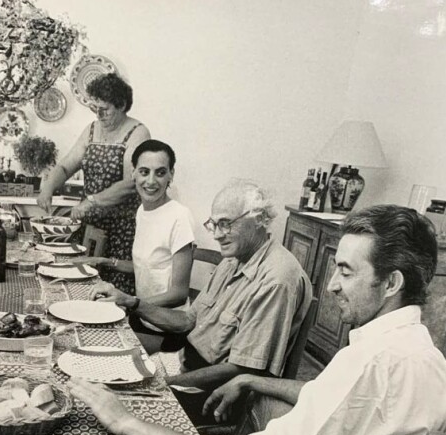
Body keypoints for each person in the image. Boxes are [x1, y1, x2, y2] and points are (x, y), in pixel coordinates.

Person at [72, 204, 446, 435]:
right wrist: (255, 381)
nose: (331, 284)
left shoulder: (370, 362)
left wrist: (125, 420)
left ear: (392, 283)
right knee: (245, 423)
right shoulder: (424, 355)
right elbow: (337, 398)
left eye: (346, 271)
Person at [91, 181, 311, 409]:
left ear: (259, 219)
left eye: (225, 224)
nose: (217, 235)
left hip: (217, 393)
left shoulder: (277, 278)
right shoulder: (233, 259)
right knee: (100, 362)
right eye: (214, 224)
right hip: (183, 364)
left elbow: (246, 370)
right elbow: (187, 320)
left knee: (112, 403)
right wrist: (130, 301)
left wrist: (166, 384)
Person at [72, 139, 195, 354]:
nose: (151, 181)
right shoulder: (143, 211)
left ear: (171, 175)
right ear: (133, 174)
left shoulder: (179, 216)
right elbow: (147, 266)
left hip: (166, 329)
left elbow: (178, 293)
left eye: (160, 172)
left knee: (92, 345)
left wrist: (128, 302)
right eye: (144, 171)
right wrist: (104, 261)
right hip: (141, 318)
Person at [36, 73, 151, 294]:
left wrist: (91, 202)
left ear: (122, 105)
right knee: (81, 287)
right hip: (90, 227)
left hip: (122, 230)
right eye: (94, 108)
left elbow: (131, 183)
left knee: (113, 294)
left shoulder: (138, 133)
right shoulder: (91, 130)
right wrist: (48, 188)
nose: (98, 115)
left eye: (104, 109)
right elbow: (65, 166)